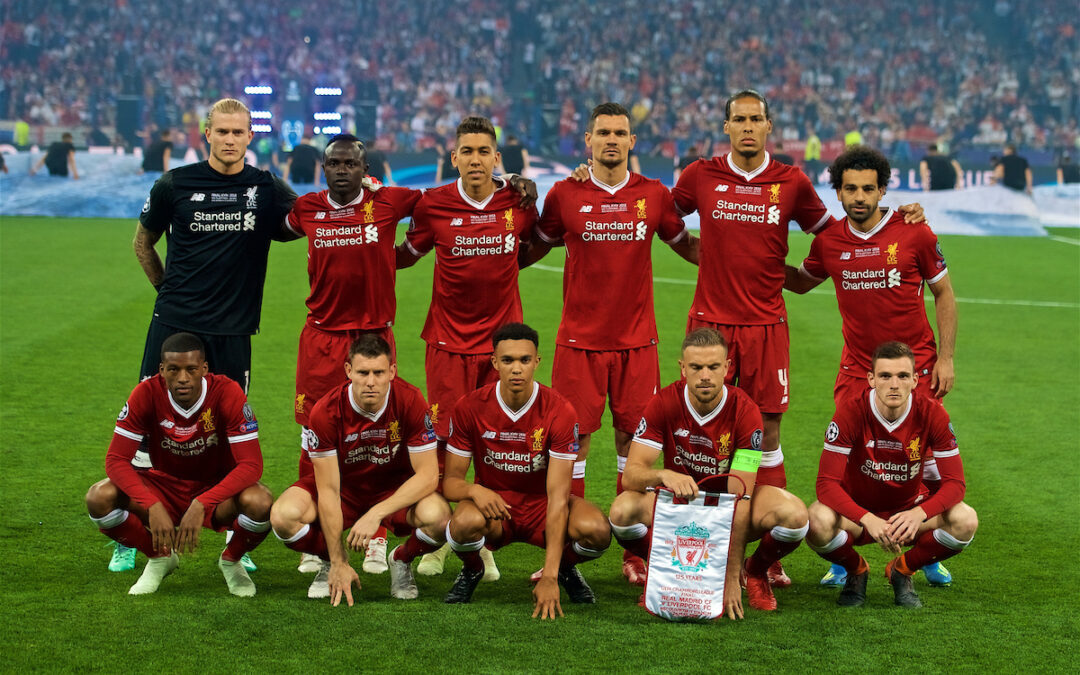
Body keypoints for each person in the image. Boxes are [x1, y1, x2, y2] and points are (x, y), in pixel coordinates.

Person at [671, 90, 924, 587]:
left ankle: (772, 547)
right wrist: (701, 255)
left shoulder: (792, 182)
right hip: (711, 325)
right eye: (738, 119)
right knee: (702, 429)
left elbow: (838, 233)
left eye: (756, 119)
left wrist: (899, 216)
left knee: (766, 431)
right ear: (726, 126)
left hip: (767, 322)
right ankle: (698, 539)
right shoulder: (700, 175)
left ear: (770, 126)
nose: (747, 127)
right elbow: (663, 219)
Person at [521, 102, 698, 585]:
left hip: (637, 343)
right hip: (578, 343)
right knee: (572, 444)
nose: (612, 140)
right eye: (603, 133)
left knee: (633, 443)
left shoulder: (654, 195)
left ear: (632, 142)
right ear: (588, 140)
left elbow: (688, 246)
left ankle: (635, 552)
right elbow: (533, 244)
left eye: (620, 133)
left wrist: (742, 262)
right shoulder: (564, 194)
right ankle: (570, 546)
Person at [119, 97, 296, 573]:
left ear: (250, 137)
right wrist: (168, 297)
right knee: (146, 434)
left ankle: (232, 542)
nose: (231, 140)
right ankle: (130, 538)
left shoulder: (265, 187)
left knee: (229, 434)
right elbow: (142, 242)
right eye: (222, 132)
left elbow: (309, 221)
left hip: (233, 330)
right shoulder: (174, 183)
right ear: (207, 134)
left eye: (239, 132)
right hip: (176, 328)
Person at [784, 146, 958, 587]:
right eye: (850, 189)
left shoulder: (914, 232)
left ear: (883, 189)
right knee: (855, 467)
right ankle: (844, 559)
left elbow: (945, 295)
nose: (859, 196)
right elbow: (802, 283)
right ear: (838, 192)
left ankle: (925, 552)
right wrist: (753, 261)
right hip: (857, 373)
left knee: (927, 465)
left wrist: (947, 357)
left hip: (913, 369)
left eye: (868, 188)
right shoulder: (829, 243)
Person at [397, 116, 539, 577]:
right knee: (443, 445)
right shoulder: (434, 205)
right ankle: (442, 538)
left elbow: (536, 244)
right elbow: (406, 255)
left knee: (493, 443)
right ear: (453, 157)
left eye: (484, 151)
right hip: (447, 344)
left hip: (501, 349)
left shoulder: (517, 201)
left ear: (496, 158)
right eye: (467, 151)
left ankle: (484, 540)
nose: (475, 159)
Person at [282, 134, 423, 576]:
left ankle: (376, 535)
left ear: (365, 170)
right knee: (314, 430)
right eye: (334, 163)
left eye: (351, 163)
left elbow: (439, 204)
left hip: (373, 333)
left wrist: (403, 253)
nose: (342, 169)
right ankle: (321, 538)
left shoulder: (389, 202)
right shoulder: (307, 209)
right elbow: (276, 226)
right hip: (322, 337)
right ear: (324, 168)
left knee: (379, 433)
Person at [608, 328, 809, 616]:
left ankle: (754, 571)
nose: (705, 375)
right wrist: (663, 476)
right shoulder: (663, 402)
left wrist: (730, 577)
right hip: (680, 506)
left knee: (795, 516)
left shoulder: (746, 410)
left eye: (713, 367)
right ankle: (663, 567)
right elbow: (632, 475)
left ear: (727, 368)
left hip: (727, 508)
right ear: (683, 369)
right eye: (696, 367)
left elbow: (741, 495)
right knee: (622, 510)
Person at [85, 332, 273, 596]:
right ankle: (160, 555)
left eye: (191, 369)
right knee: (98, 497)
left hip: (215, 487)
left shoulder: (227, 392)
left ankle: (231, 561)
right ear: (162, 370)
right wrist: (151, 504)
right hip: (163, 484)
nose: (183, 378)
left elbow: (251, 465)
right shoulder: (146, 392)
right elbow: (116, 460)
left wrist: (202, 503)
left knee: (261, 502)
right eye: (173, 370)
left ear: (204, 369)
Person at [442, 323, 611, 616]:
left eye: (524, 360)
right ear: (495, 363)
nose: (516, 369)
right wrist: (474, 490)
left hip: (542, 506)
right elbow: (451, 482)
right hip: (496, 508)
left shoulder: (559, 410)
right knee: (462, 523)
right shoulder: (469, 406)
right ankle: (472, 569)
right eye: (507, 360)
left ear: (536, 362)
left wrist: (548, 576)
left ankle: (563, 569)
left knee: (596, 530)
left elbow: (559, 497)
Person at [269, 335, 451, 605]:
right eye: (363, 372)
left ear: (392, 371)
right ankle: (330, 561)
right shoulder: (325, 411)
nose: (370, 382)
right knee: (283, 517)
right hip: (344, 492)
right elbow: (329, 490)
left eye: (378, 373)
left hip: (393, 489)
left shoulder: (410, 400)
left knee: (440, 518)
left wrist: (376, 513)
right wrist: (338, 559)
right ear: (348, 371)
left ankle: (401, 559)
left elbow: (426, 476)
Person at [805, 341, 977, 608]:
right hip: (859, 516)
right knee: (816, 520)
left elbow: (955, 484)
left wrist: (918, 514)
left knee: (965, 520)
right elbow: (826, 484)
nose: (894, 384)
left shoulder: (933, 414)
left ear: (915, 380)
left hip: (909, 513)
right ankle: (856, 570)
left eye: (902, 376)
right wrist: (867, 519)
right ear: (871, 379)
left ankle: (903, 569)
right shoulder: (851, 411)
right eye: (885, 376)